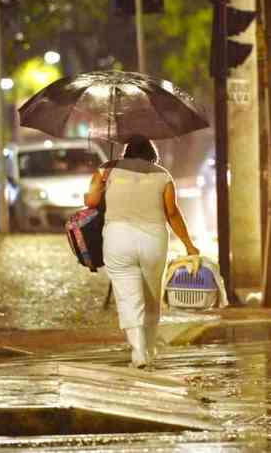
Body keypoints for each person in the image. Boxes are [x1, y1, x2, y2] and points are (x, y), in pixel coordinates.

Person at [85, 135, 199, 369]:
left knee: (128, 296)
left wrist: (99, 188)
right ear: (151, 155)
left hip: (118, 239)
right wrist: (189, 244)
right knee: (151, 298)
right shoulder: (162, 175)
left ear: (126, 152)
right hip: (153, 240)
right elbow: (172, 213)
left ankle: (138, 353)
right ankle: (149, 348)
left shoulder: (107, 170)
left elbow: (92, 201)